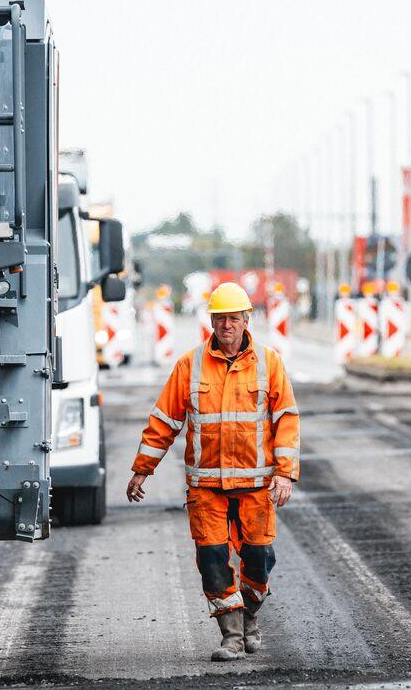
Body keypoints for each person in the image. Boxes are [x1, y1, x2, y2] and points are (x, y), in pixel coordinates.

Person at [127, 281, 300, 661]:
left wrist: (285, 474)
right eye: (220, 319)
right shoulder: (189, 366)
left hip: (255, 486)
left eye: (233, 319)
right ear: (212, 321)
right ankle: (232, 636)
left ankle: (249, 615)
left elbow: (286, 419)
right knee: (212, 560)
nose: (227, 326)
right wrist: (143, 469)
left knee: (259, 558)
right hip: (206, 487)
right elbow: (164, 420)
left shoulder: (269, 364)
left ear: (245, 320)